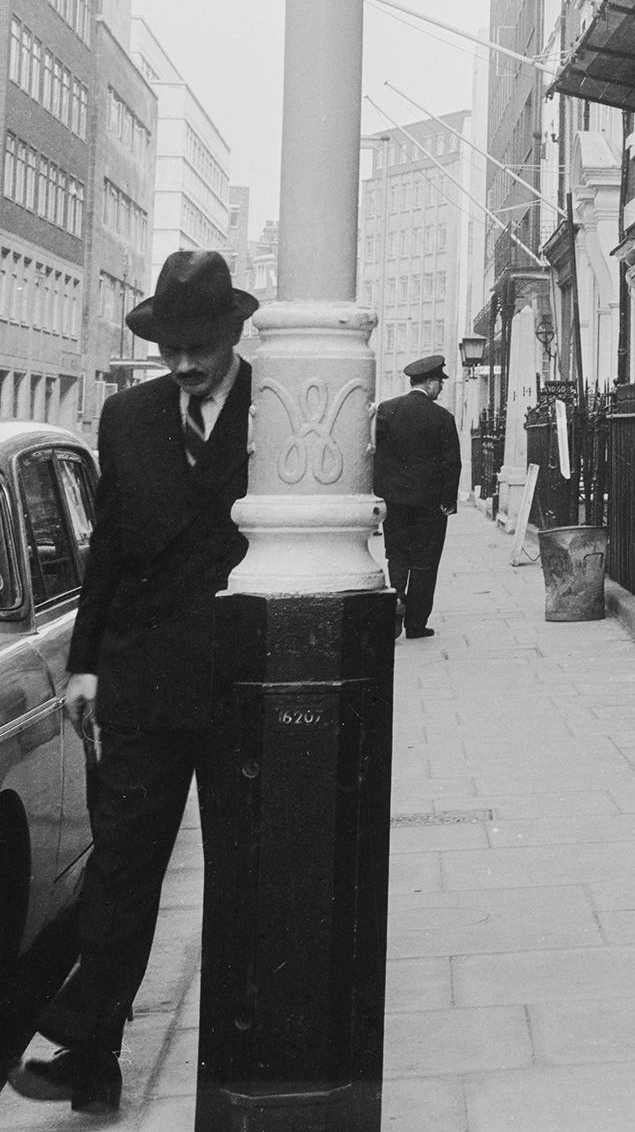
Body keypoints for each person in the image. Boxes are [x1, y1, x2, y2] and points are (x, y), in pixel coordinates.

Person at [7, 249, 259, 1117]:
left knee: (243, 869)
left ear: (231, 331)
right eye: (172, 348)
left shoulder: (280, 408)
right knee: (120, 869)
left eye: (202, 345)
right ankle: (92, 1058)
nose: (186, 364)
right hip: (144, 679)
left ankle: (244, 1047)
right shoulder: (128, 416)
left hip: (238, 684)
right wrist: (83, 662)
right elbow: (107, 545)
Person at [372, 352, 461, 639]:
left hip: (394, 501)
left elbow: (375, 453)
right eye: (440, 383)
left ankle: (397, 595)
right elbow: (452, 463)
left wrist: (381, 491)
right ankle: (416, 623)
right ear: (431, 383)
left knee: (396, 553)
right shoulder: (442, 417)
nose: (441, 388)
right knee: (425, 562)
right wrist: (448, 501)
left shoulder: (386, 410)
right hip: (429, 504)